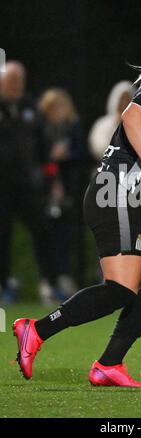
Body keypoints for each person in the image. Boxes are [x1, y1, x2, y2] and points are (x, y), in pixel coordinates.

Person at [13, 21, 141, 387]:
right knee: (122, 289)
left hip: (127, 198)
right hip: (114, 193)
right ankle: (36, 330)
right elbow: (132, 116)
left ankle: (109, 364)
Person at [0, 61, 52, 304]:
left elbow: (44, 148)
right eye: (10, 80)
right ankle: (4, 285)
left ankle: (47, 282)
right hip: (2, 186)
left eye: (18, 80)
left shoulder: (32, 109)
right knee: (3, 235)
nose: (15, 85)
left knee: (42, 231)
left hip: (29, 185)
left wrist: (49, 177)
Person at [38, 88, 86, 303]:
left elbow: (82, 154)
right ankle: (48, 280)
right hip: (44, 190)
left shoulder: (73, 129)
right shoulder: (41, 130)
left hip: (69, 190)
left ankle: (65, 278)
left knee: (66, 235)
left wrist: (66, 156)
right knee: (46, 234)